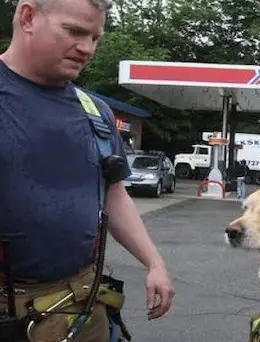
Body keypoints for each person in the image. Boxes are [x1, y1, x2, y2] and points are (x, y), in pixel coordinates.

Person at [0, 0, 174, 340]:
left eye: (96, 38)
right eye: (75, 32)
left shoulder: (96, 112)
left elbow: (114, 192)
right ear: (28, 16)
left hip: (81, 307)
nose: (87, 48)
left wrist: (155, 263)